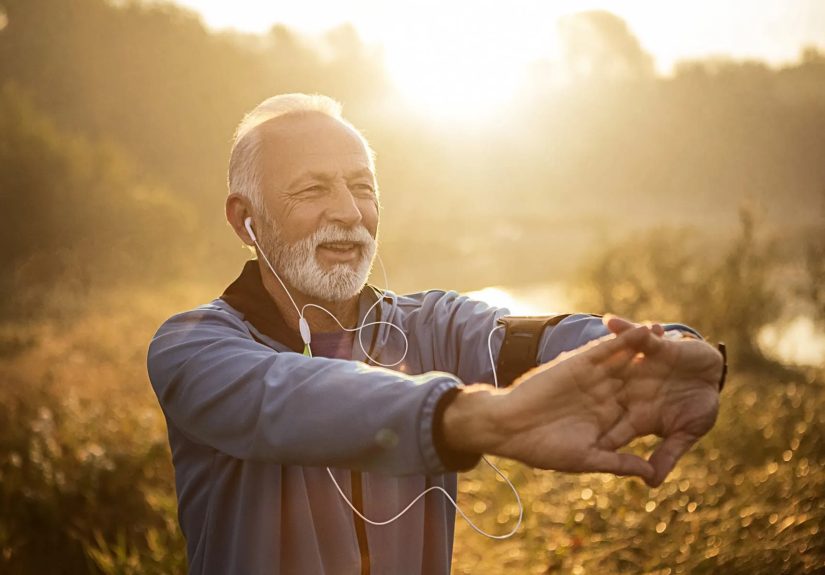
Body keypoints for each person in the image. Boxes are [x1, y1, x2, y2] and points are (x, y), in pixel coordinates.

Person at [147, 93, 725, 575]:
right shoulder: (192, 347)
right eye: (313, 189)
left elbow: (534, 338)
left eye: (362, 187)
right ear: (244, 220)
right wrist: (474, 418)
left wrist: (666, 352)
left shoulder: (430, 324)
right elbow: (284, 398)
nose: (349, 211)